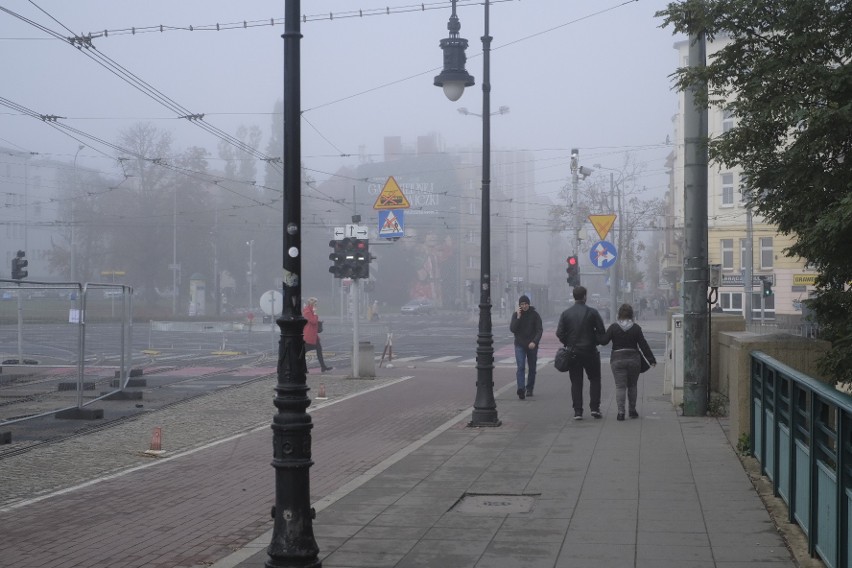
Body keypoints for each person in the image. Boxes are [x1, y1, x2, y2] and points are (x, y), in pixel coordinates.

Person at [556, 286, 607, 420]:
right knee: (595, 379)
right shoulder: (593, 312)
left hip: (573, 353)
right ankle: (595, 409)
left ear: (574, 297)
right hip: (590, 352)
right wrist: (594, 340)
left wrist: (569, 343)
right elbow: (602, 333)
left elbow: (559, 333)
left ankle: (578, 411)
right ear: (585, 296)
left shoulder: (566, 313)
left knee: (576, 382)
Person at [599, 303, 656, 421]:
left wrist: (595, 333)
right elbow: (643, 345)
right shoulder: (636, 328)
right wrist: (651, 360)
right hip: (633, 360)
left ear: (619, 314)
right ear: (632, 315)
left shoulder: (614, 327)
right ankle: (632, 411)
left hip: (617, 359)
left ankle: (620, 413)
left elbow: (604, 341)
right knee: (632, 386)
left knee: (620, 387)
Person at [509, 295, 543, 399]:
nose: (524, 306)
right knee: (521, 367)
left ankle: (529, 388)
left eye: (525, 304)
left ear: (529, 304)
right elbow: (513, 329)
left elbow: (539, 330)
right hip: (520, 344)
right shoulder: (516, 315)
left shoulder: (535, 315)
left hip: (532, 345)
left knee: (532, 368)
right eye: (522, 304)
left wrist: (534, 341)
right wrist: (518, 317)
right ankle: (521, 389)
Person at [302, 297, 332, 373]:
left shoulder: (310, 310)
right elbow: (313, 321)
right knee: (303, 352)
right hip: (309, 335)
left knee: (319, 350)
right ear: (311, 303)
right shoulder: (307, 311)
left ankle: (323, 367)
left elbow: (313, 321)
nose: (316, 304)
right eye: (315, 303)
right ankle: (303, 368)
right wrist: (315, 314)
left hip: (314, 335)